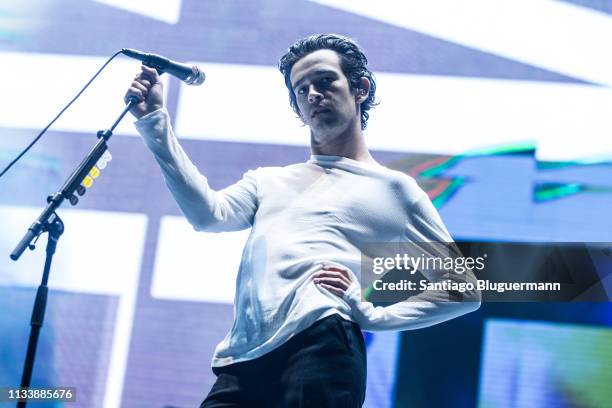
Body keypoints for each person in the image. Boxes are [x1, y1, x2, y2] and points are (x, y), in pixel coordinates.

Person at [125, 33, 480, 408]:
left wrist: (377, 316)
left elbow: (462, 288)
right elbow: (207, 216)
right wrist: (153, 122)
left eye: (325, 81)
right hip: (242, 359)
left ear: (359, 88)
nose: (313, 94)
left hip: (323, 344)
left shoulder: (393, 189)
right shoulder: (268, 181)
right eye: (302, 88)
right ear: (297, 108)